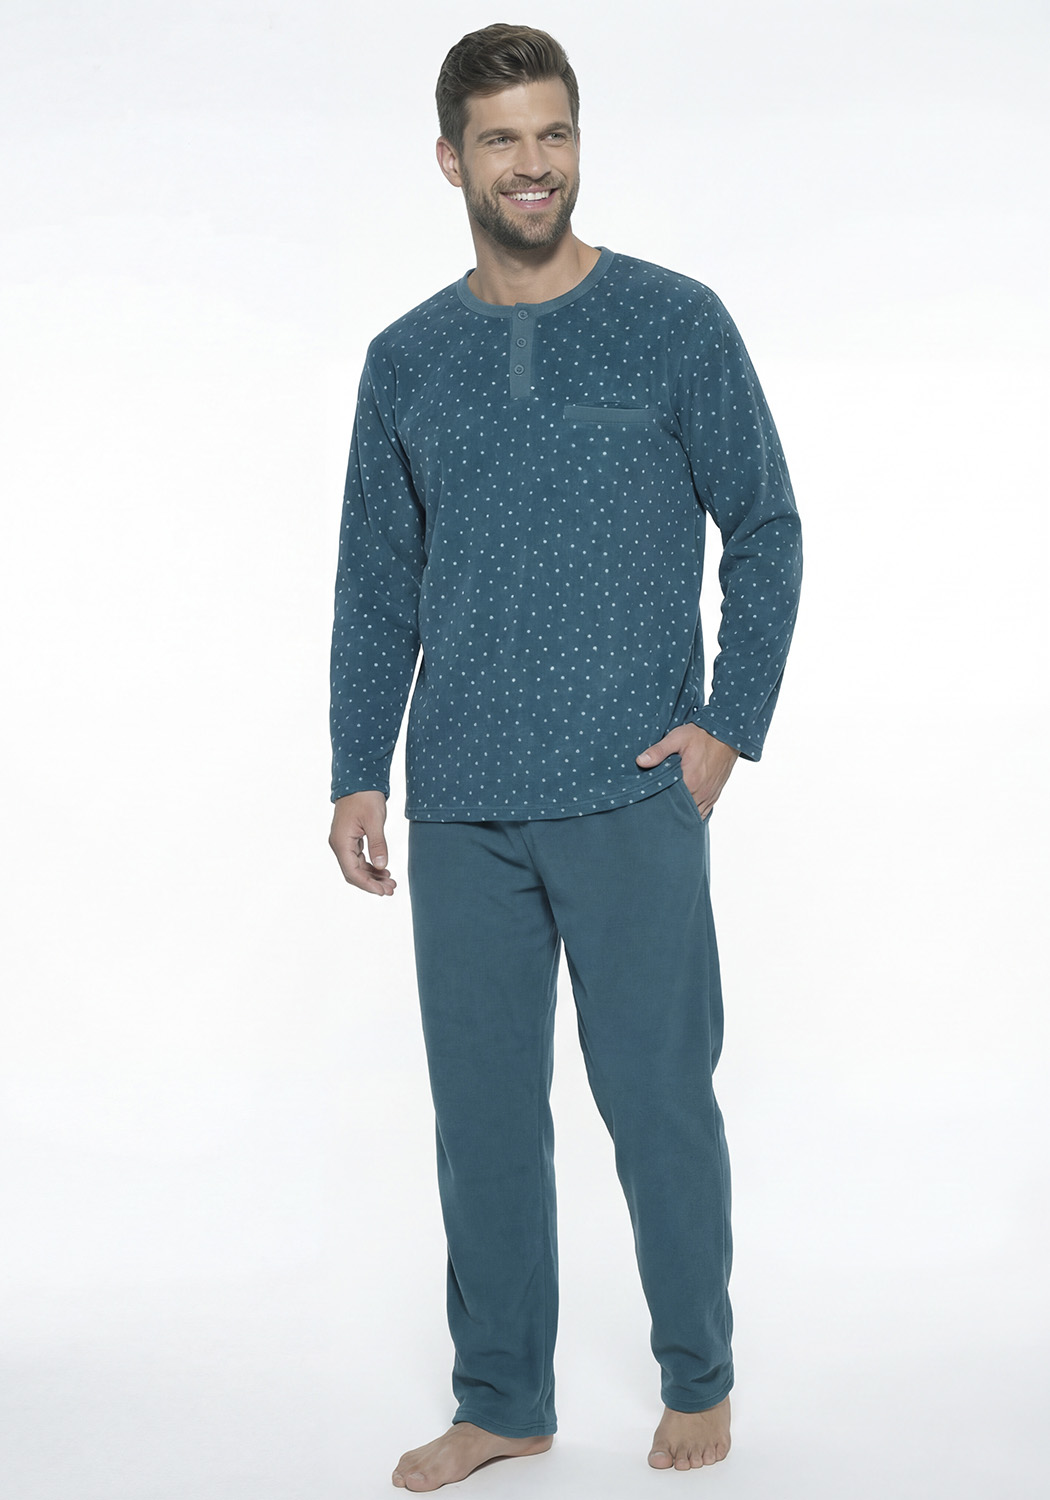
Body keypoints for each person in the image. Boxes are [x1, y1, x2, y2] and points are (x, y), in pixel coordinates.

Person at [328, 23, 803, 1492]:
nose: (531, 164)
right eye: (501, 140)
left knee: (659, 1106)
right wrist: (357, 767)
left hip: (631, 790)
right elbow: (374, 583)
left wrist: (726, 728)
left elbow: (767, 527)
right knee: (480, 1123)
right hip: (464, 801)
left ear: (577, 144)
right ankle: (502, 1401)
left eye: (553, 134)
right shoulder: (406, 359)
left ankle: (699, 1375)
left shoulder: (675, 322)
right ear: (449, 160)